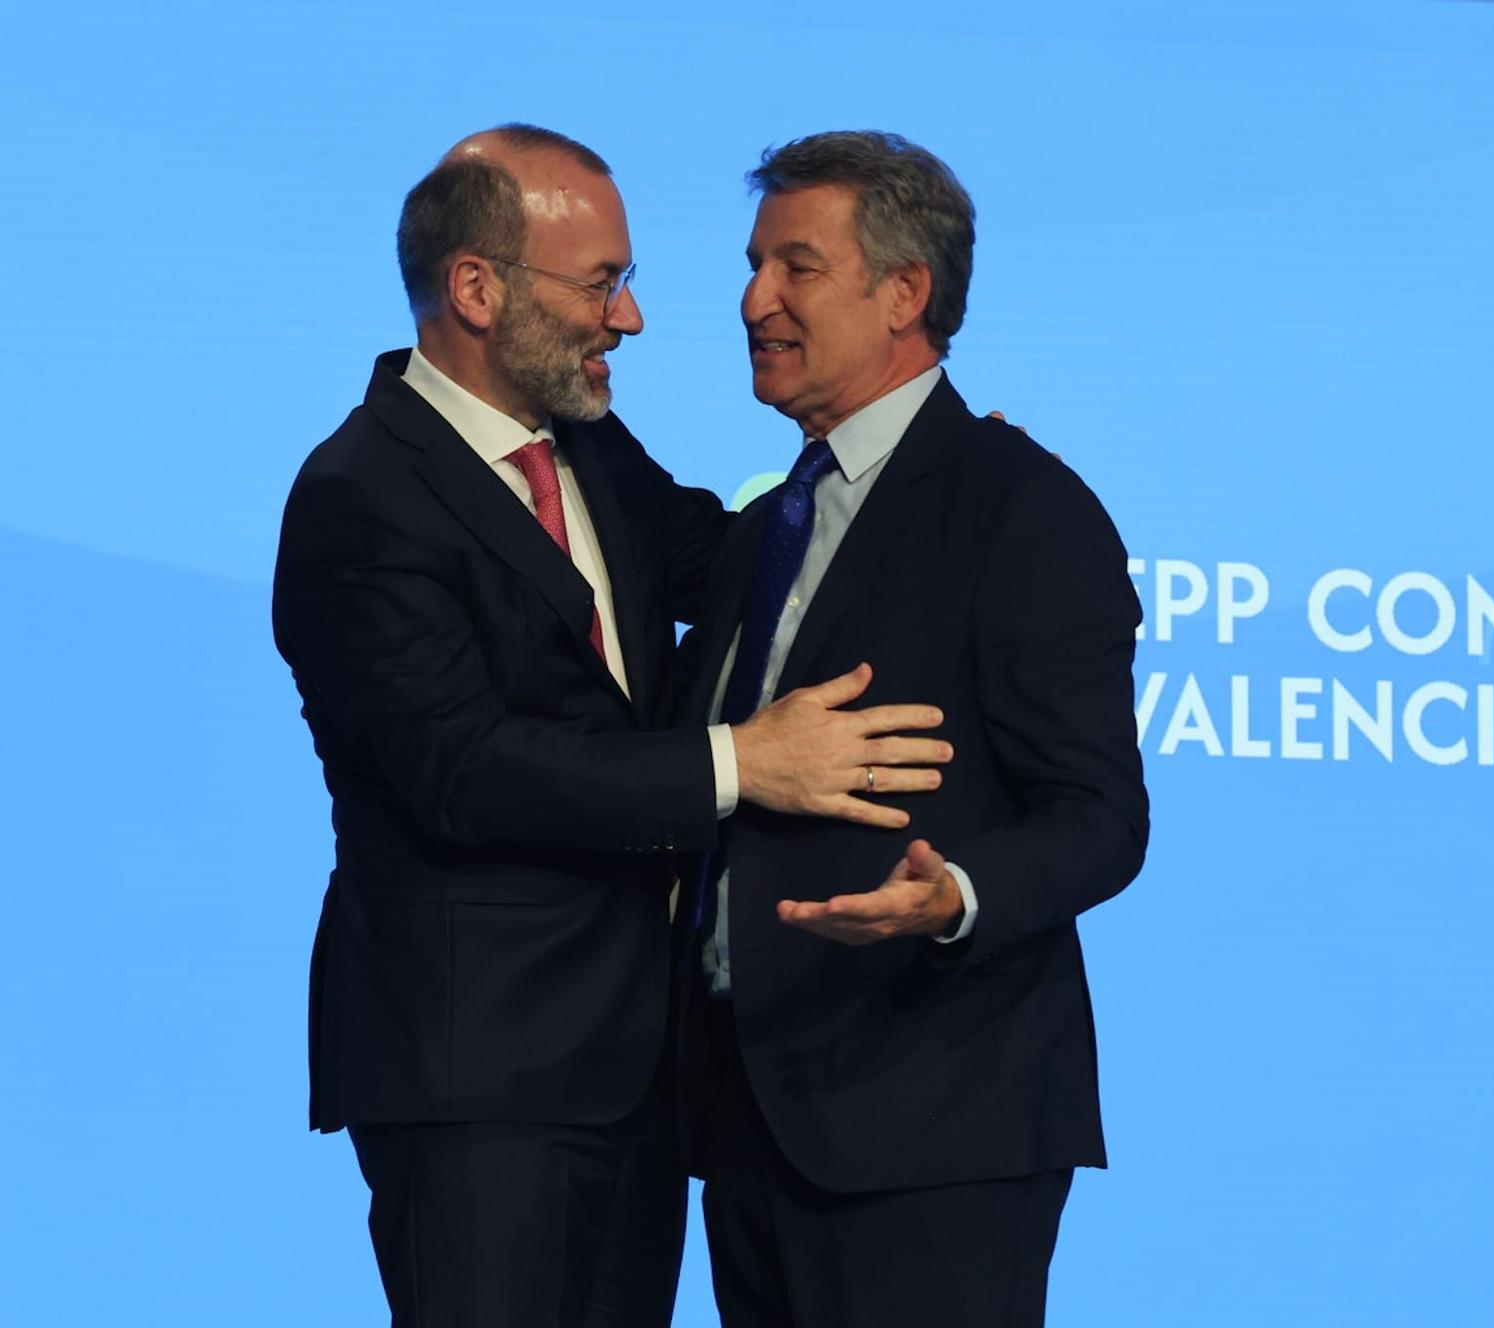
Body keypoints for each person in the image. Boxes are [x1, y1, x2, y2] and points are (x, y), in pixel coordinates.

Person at [272, 123, 950, 1328]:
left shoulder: (579, 445)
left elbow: (732, 556)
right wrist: (743, 762)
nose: (627, 319)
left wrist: (922, 473)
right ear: (475, 288)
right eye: (602, 284)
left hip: (633, 1073)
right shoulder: (358, 497)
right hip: (474, 1079)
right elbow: (461, 770)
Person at [678, 130, 1149, 1328]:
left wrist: (956, 895)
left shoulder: (1020, 506)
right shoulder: (766, 520)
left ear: (903, 293)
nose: (753, 299)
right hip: (750, 1121)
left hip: (933, 1125)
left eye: (795, 266)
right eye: (751, 264)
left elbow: (1101, 816)